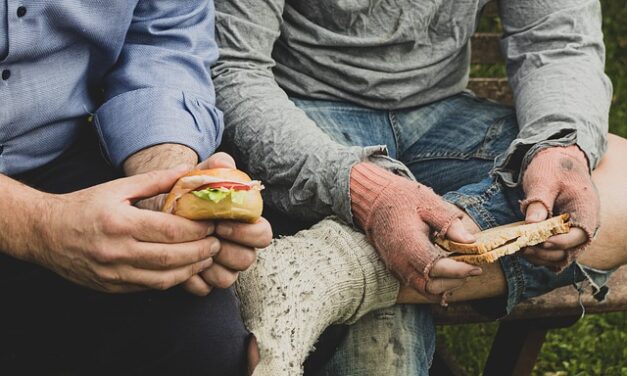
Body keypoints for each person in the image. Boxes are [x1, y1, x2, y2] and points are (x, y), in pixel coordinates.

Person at [212, 0, 627, 374]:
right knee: (385, 342)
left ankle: (323, 270)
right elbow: (232, 67)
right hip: (302, 111)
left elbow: (557, 40)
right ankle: (360, 264)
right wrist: (368, 193)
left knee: (619, 181)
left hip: (445, 116)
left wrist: (558, 151)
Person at [0, 2, 271, 375]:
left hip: (60, 159)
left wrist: (166, 186)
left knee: (204, 345)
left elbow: (162, 39)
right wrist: (37, 226)